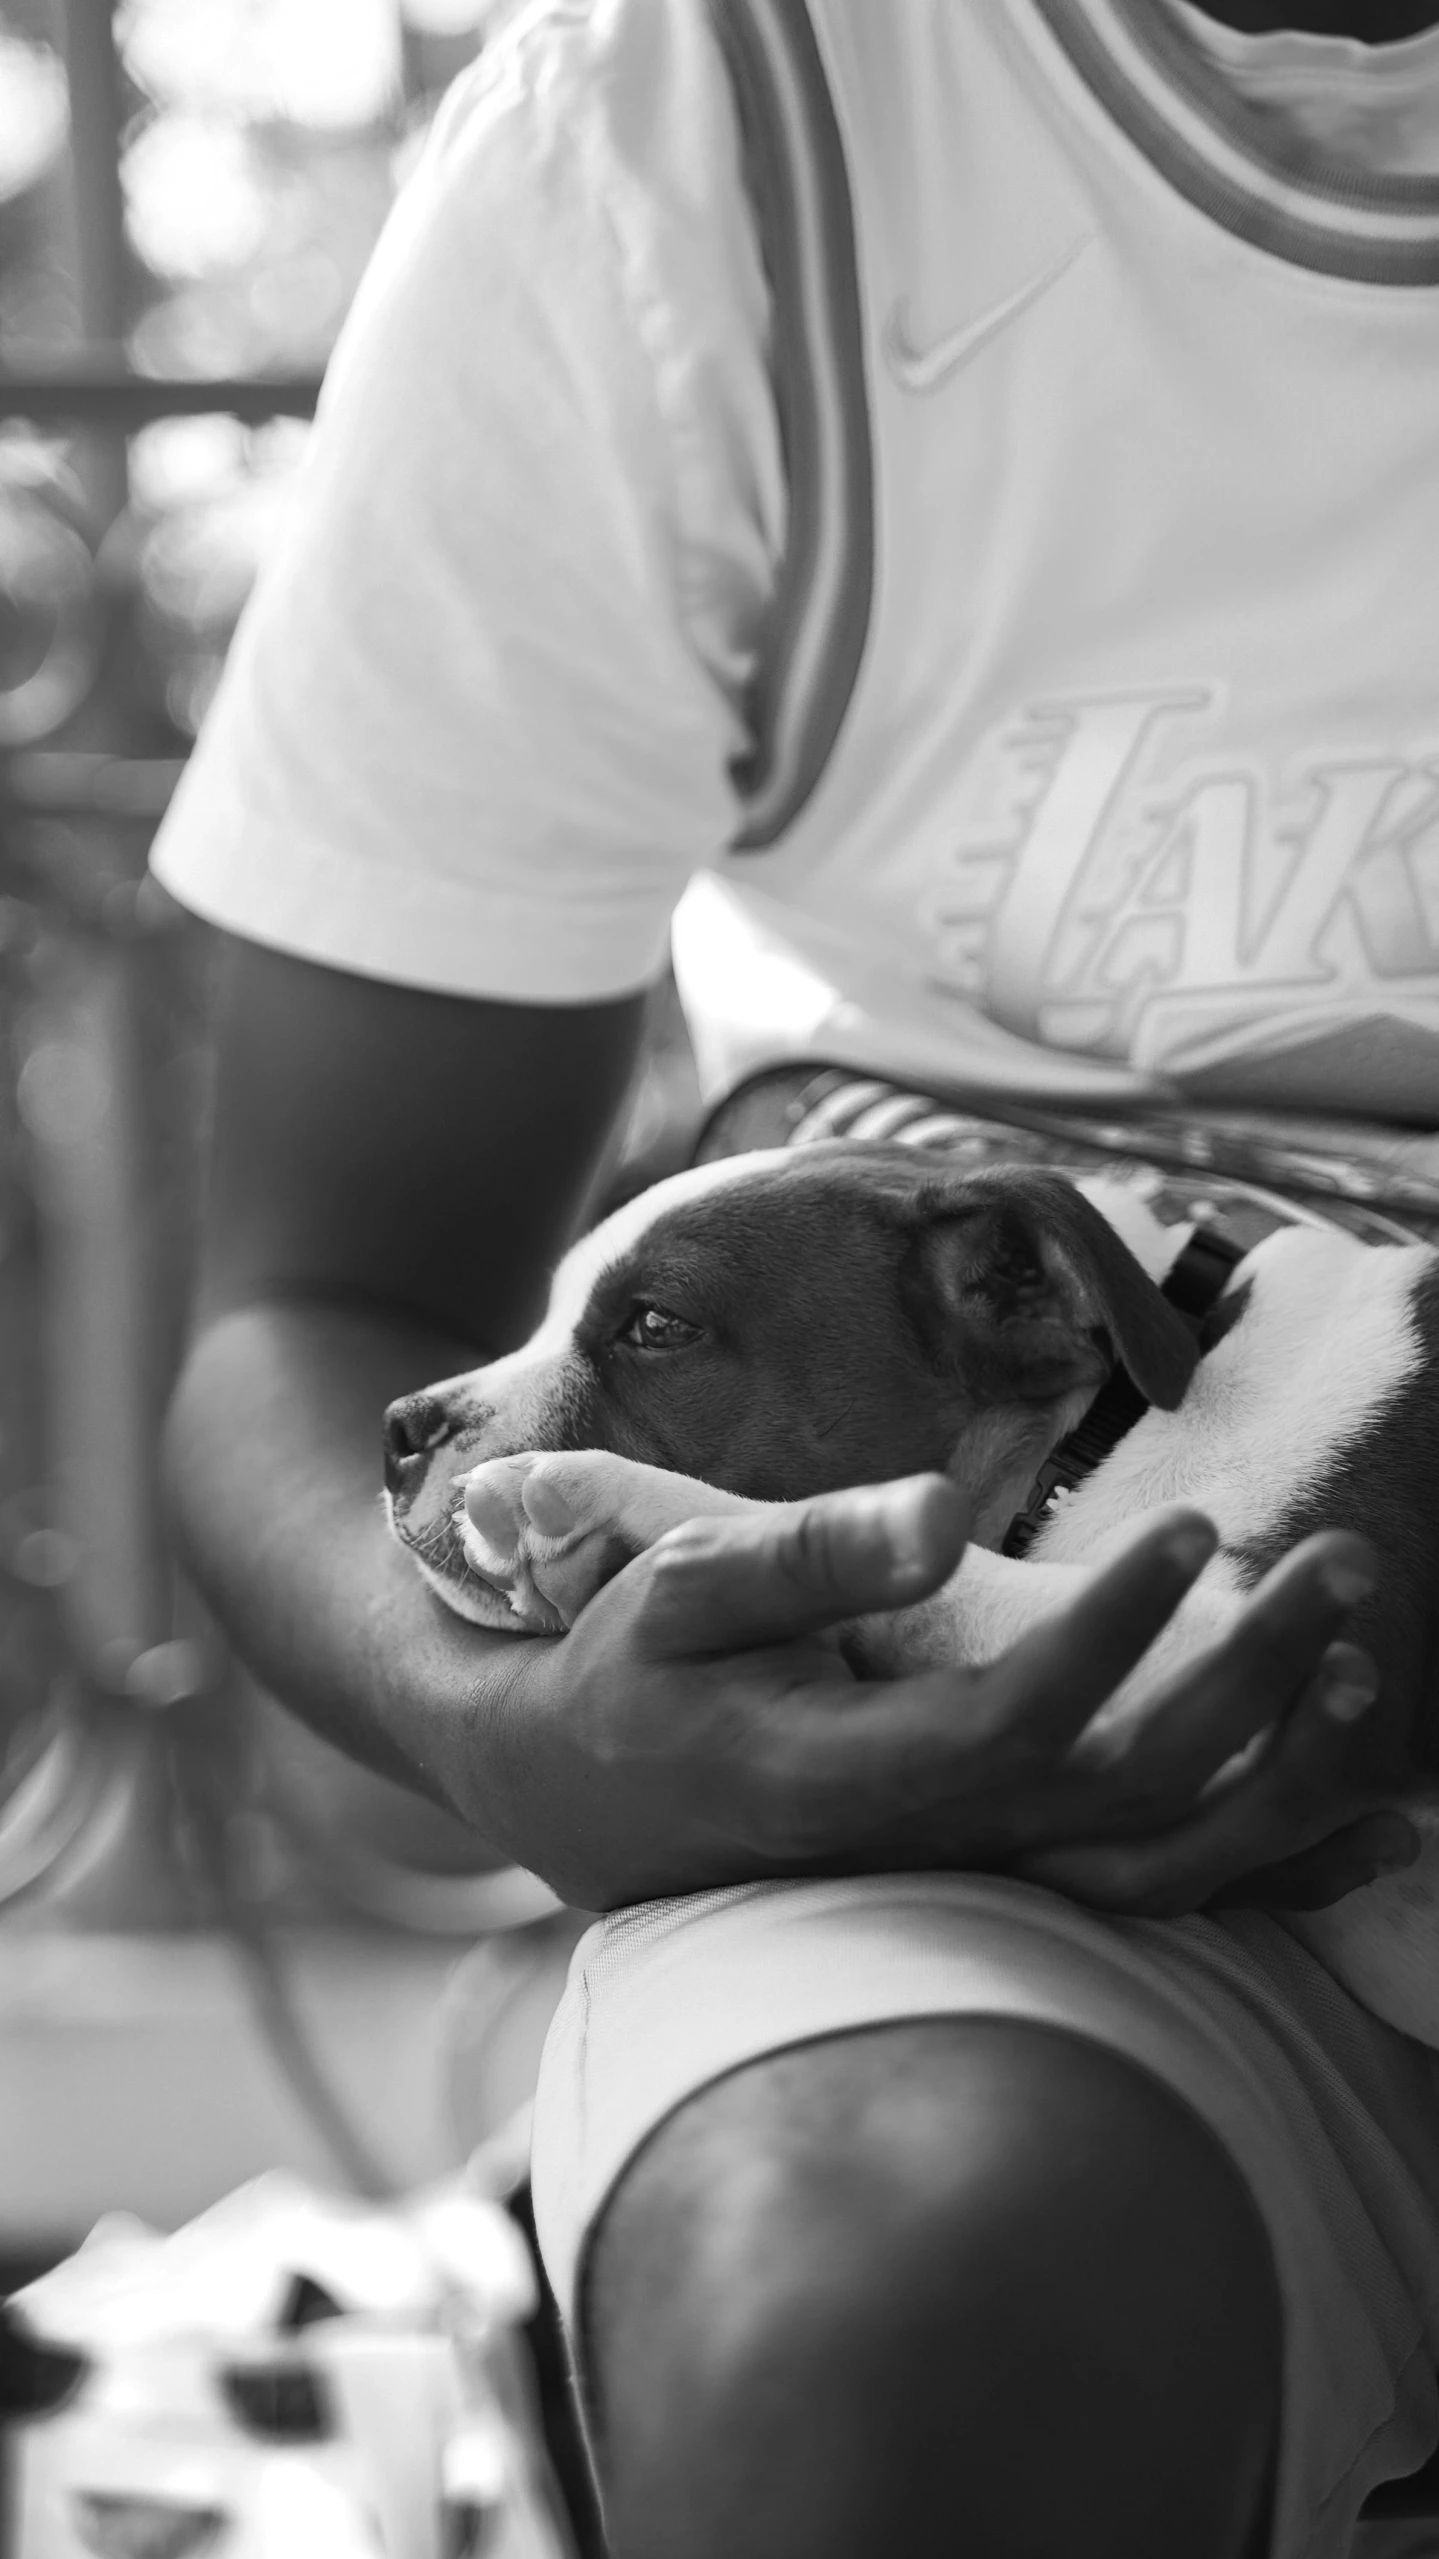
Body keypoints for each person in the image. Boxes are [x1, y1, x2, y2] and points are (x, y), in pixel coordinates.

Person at [151, 1, 1439, 2551]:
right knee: (888, 2261)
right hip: (984, 1846)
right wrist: (524, 1740)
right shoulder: (694, 132)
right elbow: (314, 1307)